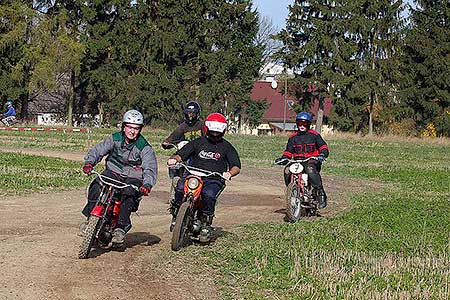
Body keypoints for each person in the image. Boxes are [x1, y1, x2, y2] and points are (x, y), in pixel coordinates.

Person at [81, 109, 158, 245]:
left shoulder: (144, 147)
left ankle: (120, 228)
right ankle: (90, 219)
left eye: (136, 128)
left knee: (128, 194)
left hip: (133, 177)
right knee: (96, 185)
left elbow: (150, 167)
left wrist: (147, 184)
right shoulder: (115, 138)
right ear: (123, 127)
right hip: (113, 172)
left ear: (140, 129)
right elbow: (98, 150)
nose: (132, 131)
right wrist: (89, 163)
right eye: (129, 127)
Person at [167, 112, 241, 240]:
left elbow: (236, 166)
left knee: (209, 194)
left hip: (213, 179)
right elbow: (181, 154)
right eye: (213, 131)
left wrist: (229, 173)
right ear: (207, 129)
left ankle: (206, 224)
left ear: (223, 131)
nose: (215, 134)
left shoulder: (227, 147)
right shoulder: (197, 142)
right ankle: (176, 215)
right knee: (179, 187)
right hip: (193, 174)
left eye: (218, 132)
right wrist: (175, 159)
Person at [275, 111, 329, 209]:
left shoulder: (314, 135)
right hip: (297, 161)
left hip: (311, 160)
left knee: (310, 169)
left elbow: (323, 146)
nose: (302, 125)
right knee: (287, 170)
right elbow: (288, 151)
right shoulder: (293, 138)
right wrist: (284, 158)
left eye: (304, 123)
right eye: (300, 123)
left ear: (308, 124)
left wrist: (322, 154)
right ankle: (291, 191)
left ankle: (320, 192)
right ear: (297, 123)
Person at [161, 101, 204, 203]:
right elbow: (172, 137)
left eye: (193, 113)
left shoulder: (202, 125)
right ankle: (174, 195)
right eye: (189, 113)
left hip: (198, 154)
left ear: (197, 114)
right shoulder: (182, 127)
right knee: (173, 164)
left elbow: (208, 137)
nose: (191, 116)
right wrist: (166, 143)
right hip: (183, 154)